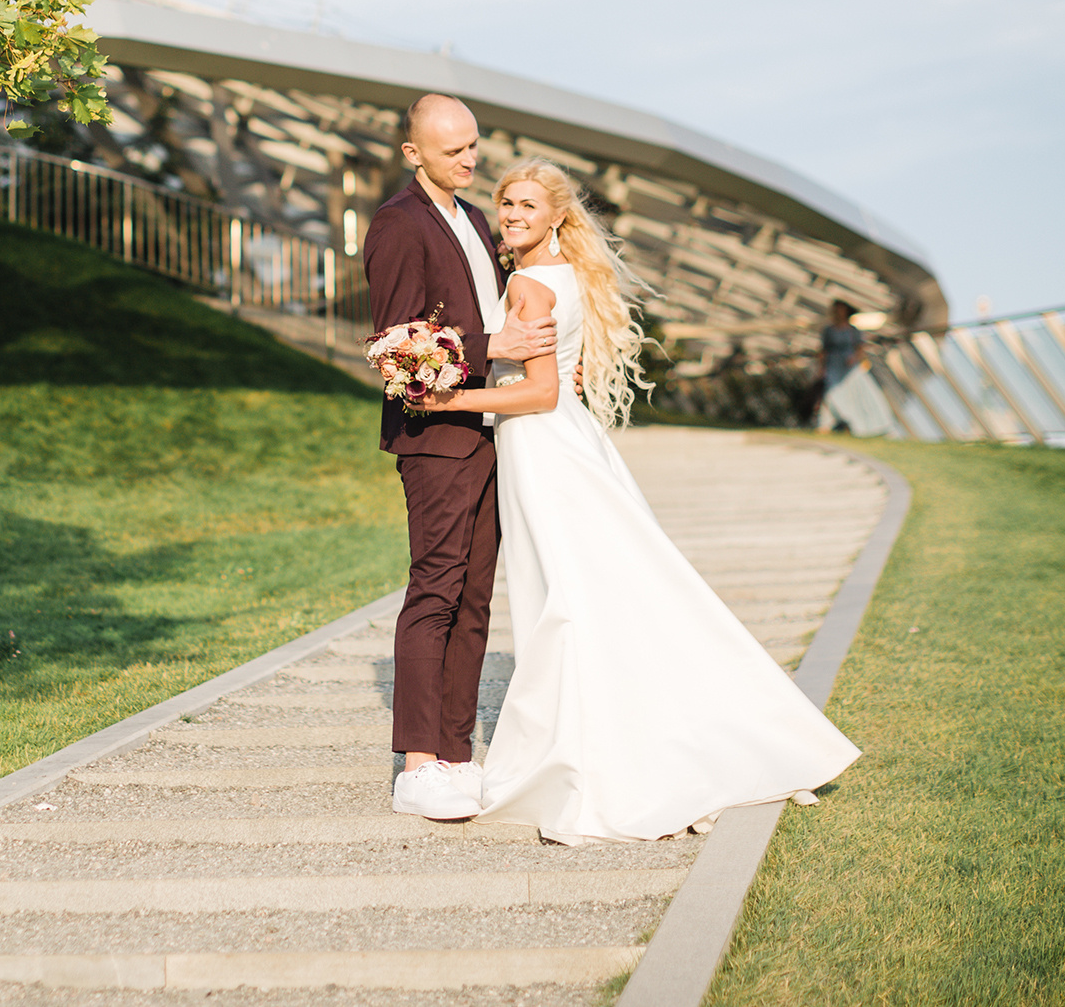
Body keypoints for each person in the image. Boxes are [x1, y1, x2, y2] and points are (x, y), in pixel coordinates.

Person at [415, 158, 859, 842]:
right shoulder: (563, 273)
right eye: (506, 204)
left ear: (557, 215)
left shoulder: (529, 284)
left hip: (543, 451)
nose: (512, 215)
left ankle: (598, 753)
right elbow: (564, 375)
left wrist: (445, 399)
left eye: (528, 205)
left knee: (564, 599)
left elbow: (541, 391)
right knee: (602, 588)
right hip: (567, 443)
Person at [361, 94, 555, 820]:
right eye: (453, 151)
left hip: (489, 429)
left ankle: (455, 751)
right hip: (434, 436)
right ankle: (417, 765)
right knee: (436, 589)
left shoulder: (474, 218)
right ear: (413, 153)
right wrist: (490, 346)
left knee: (475, 596)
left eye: (473, 145)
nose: (470, 159)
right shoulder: (397, 222)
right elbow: (397, 339)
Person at [814, 300, 867, 432]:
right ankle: (834, 421)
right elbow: (823, 350)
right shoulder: (828, 330)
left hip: (848, 365)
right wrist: (821, 368)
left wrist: (854, 358)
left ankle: (854, 422)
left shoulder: (853, 331)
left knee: (850, 392)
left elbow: (860, 348)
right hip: (833, 364)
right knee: (831, 392)